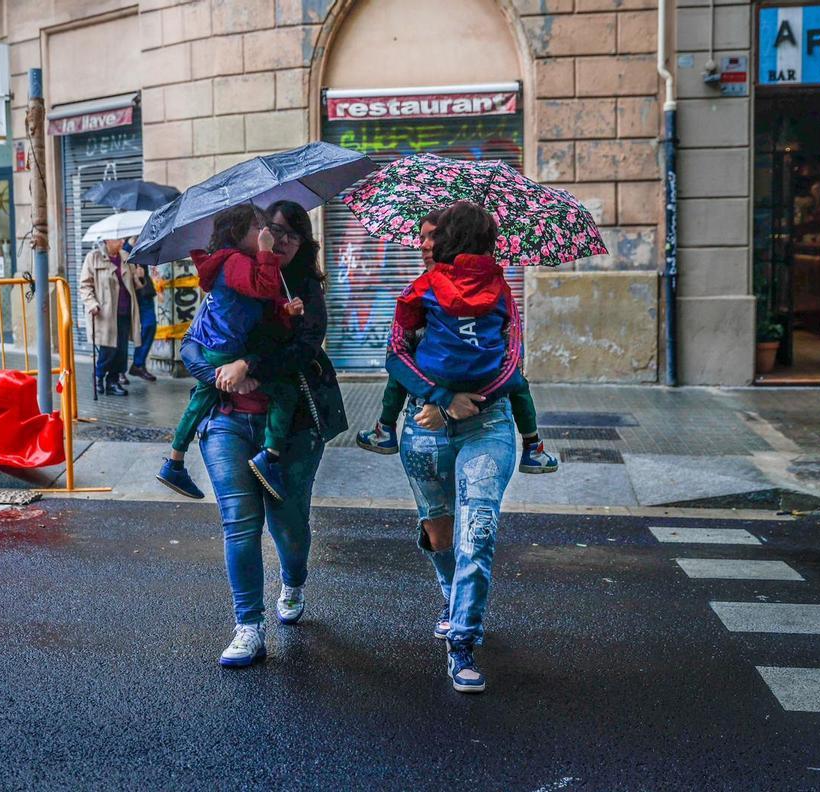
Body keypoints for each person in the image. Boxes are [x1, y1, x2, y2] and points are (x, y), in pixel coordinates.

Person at [181, 200, 346, 667]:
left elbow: (303, 349)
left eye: (294, 234)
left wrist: (248, 364)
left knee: (288, 524)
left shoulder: (305, 289)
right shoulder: (233, 275)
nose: (283, 240)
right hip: (228, 418)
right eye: (274, 230)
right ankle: (247, 627)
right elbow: (192, 343)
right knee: (239, 520)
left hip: (291, 421)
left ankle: (293, 581)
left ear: (305, 240)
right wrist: (217, 376)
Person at [385, 200, 522, 695]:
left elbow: (513, 360)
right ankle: (451, 595)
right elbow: (395, 355)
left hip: (490, 425)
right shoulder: (416, 292)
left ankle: (463, 641)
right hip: (425, 427)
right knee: (441, 534)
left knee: (477, 531)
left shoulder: (502, 290)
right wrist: (443, 399)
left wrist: (474, 401)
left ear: (453, 241)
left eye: (431, 236)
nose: (421, 243)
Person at [356, 212, 558, 474]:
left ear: (447, 242)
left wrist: (444, 401)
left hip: (431, 408)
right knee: (519, 385)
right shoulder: (500, 290)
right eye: (422, 238)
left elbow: (396, 352)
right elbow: (512, 369)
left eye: (434, 237)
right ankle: (533, 445)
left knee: (437, 513)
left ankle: (385, 428)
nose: (425, 245)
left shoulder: (422, 287)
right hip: (481, 401)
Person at [156, 205, 305, 503]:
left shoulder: (235, 261)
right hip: (224, 349)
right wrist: (266, 251)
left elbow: (255, 303)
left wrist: (283, 310)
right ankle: (270, 456)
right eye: (257, 228)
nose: (265, 233)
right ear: (237, 234)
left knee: (201, 399)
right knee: (285, 392)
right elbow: (263, 288)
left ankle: (174, 461)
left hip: (219, 345)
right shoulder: (235, 261)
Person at [78, 236, 143, 396]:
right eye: (117, 240)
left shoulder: (126, 257)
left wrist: (140, 276)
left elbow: (135, 285)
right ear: (107, 240)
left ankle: (113, 382)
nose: (122, 242)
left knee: (121, 350)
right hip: (105, 313)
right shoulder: (93, 257)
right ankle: (99, 376)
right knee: (108, 350)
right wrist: (91, 303)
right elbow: (84, 286)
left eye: (122, 239)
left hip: (125, 311)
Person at [128, 249, 158, 383]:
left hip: (145, 293)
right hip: (129, 296)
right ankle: (117, 373)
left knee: (150, 325)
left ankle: (138, 364)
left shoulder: (145, 245)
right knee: (123, 333)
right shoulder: (125, 249)